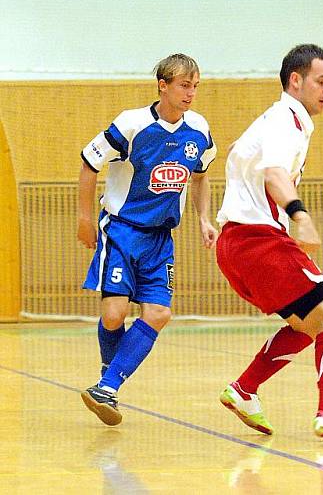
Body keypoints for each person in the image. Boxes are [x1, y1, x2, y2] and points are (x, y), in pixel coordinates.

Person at [215, 44, 323, 440]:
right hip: (258, 240)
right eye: (321, 82)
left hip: (235, 245)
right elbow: (274, 174)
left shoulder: (275, 122)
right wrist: (300, 216)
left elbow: (246, 163)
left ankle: (244, 390)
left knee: (306, 324)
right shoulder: (284, 120)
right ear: (296, 80)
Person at [78, 53, 218, 425]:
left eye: (195, 86)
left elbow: (201, 175)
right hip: (122, 230)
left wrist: (205, 217)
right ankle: (108, 379)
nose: (191, 94)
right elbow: (90, 161)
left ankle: (107, 387)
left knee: (159, 313)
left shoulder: (199, 130)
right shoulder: (132, 124)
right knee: (114, 314)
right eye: (184, 85)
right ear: (163, 85)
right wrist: (84, 218)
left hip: (161, 239)